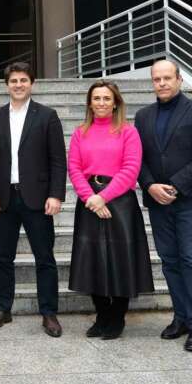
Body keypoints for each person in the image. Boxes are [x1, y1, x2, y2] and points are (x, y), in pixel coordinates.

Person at [135, 59, 192, 352]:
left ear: (179, 80)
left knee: (191, 259)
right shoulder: (143, 116)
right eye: (157, 79)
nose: (162, 83)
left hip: (191, 200)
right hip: (158, 201)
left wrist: (175, 186)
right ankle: (181, 317)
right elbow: (137, 159)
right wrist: (150, 185)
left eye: (167, 78)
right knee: (170, 261)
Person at [0, 62, 67, 337]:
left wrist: (56, 194)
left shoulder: (47, 116)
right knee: (2, 257)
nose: (18, 85)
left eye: (23, 80)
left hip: (38, 198)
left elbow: (57, 160)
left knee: (45, 257)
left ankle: (49, 313)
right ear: (6, 85)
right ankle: (2, 308)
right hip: (4, 199)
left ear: (32, 83)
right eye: (13, 81)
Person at [67, 80, 153, 340]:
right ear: (90, 103)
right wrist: (91, 198)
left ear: (115, 102)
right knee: (92, 260)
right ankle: (102, 314)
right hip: (89, 202)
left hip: (120, 202)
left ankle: (117, 317)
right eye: (97, 99)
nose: (101, 103)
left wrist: (103, 197)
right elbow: (74, 169)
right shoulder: (80, 132)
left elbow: (131, 169)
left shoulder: (128, 132)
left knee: (121, 260)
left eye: (106, 98)